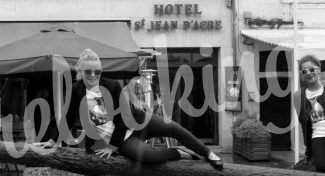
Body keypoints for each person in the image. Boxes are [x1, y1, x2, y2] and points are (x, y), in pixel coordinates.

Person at [47, 49, 224, 169]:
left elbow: (124, 117)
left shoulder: (112, 86)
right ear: (80, 71)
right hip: (121, 138)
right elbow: (68, 117)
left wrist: (112, 147)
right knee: (147, 155)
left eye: (97, 72)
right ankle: (179, 153)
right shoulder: (75, 91)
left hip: (138, 120)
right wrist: (54, 140)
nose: (93, 76)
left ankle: (207, 153)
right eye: (88, 72)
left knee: (173, 127)